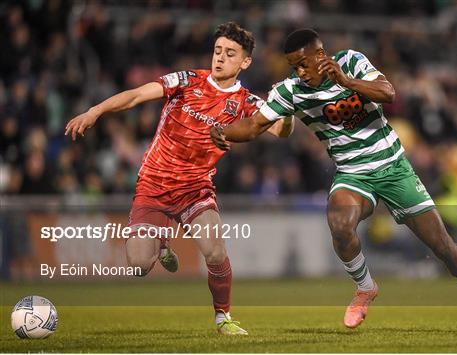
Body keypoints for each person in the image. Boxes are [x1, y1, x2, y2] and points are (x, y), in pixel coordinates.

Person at [210, 28, 457, 334]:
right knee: (339, 223)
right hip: (353, 173)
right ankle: (365, 287)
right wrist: (222, 131)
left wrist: (346, 82)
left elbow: (388, 93)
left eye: (303, 64)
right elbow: (255, 126)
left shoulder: (352, 62)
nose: (299, 72)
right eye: (293, 66)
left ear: (320, 57)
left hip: (393, 167)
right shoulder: (290, 91)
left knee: (443, 245)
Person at [65, 22, 294, 335]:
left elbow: (282, 130)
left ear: (245, 62)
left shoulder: (245, 101)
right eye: (217, 51)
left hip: (195, 188)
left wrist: (288, 107)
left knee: (215, 251)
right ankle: (161, 243)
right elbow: (136, 96)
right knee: (138, 265)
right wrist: (95, 111)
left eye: (230, 53)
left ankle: (223, 318)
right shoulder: (187, 80)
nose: (220, 58)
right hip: (153, 185)